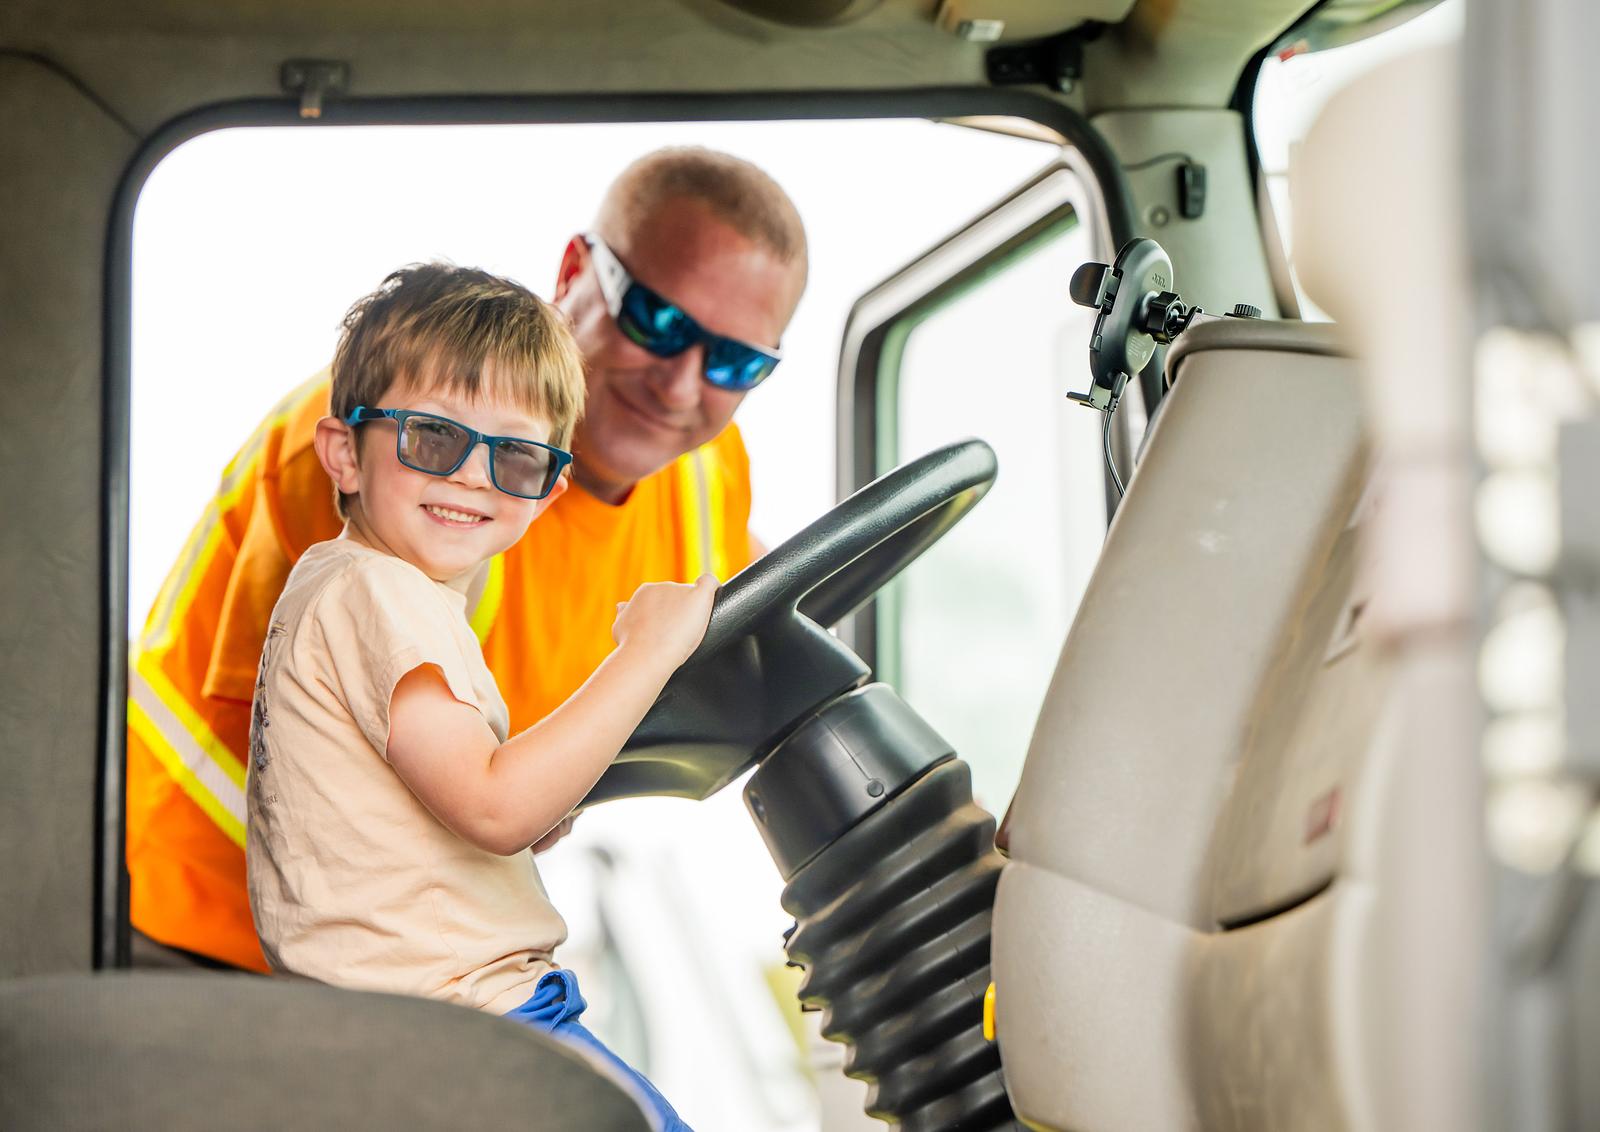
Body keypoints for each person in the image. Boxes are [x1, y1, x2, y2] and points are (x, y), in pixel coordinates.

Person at [127, 147, 808, 971]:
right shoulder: (410, 456)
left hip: (398, 954)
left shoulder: (702, 475)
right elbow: (487, 801)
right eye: (658, 322)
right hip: (196, 915)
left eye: (736, 363)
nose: (680, 385)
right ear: (575, 270)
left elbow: (767, 597)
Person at [247, 261, 711, 1130]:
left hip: (405, 1026)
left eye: (515, 456)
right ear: (344, 453)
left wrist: (542, 800)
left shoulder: (355, 587)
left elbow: (453, 803)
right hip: (466, 1027)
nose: (472, 477)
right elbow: (494, 810)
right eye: (432, 439)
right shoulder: (380, 597)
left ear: (548, 490)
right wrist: (646, 654)